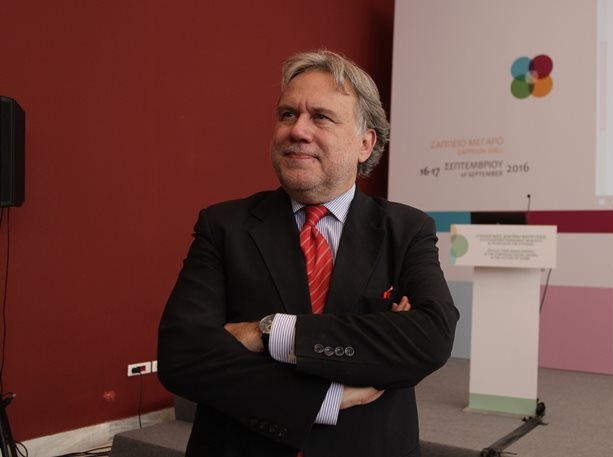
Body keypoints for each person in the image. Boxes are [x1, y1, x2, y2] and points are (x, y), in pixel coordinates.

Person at [157, 49, 459, 457]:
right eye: (287, 114)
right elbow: (182, 355)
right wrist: (324, 397)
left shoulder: (406, 230)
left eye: (321, 117)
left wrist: (269, 332)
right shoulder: (223, 226)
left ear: (365, 143)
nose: (297, 130)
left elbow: (430, 339)